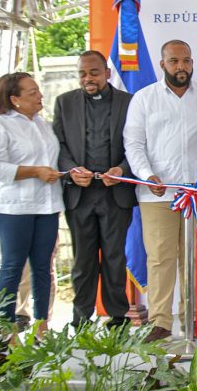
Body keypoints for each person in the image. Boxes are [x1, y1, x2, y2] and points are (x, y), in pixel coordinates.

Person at [124, 40, 197, 342]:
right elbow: (134, 144)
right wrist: (147, 175)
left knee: (194, 260)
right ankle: (160, 322)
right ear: (163, 64)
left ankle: (193, 321)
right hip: (157, 194)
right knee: (160, 259)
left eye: (186, 61)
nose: (181, 67)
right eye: (174, 61)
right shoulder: (144, 98)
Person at [53, 51, 136, 329]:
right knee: (83, 261)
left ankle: (117, 317)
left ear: (107, 73)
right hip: (80, 195)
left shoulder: (128, 102)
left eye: (94, 73)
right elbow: (59, 145)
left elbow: (137, 145)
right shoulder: (64, 103)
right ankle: (81, 318)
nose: (88, 78)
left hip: (115, 194)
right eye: (82, 74)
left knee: (114, 258)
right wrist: (72, 170)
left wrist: (122, 170)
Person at [0, 73, 63, 335]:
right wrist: (35, 172)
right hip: (16, 207)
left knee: (43, 266)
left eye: (38, 90)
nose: (40, 95)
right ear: (15, 99)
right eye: (32, 92)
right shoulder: (3, 125)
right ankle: (5, 329)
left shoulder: (43, 125)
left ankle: (42, 326)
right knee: (13, 265)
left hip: (47, 206)